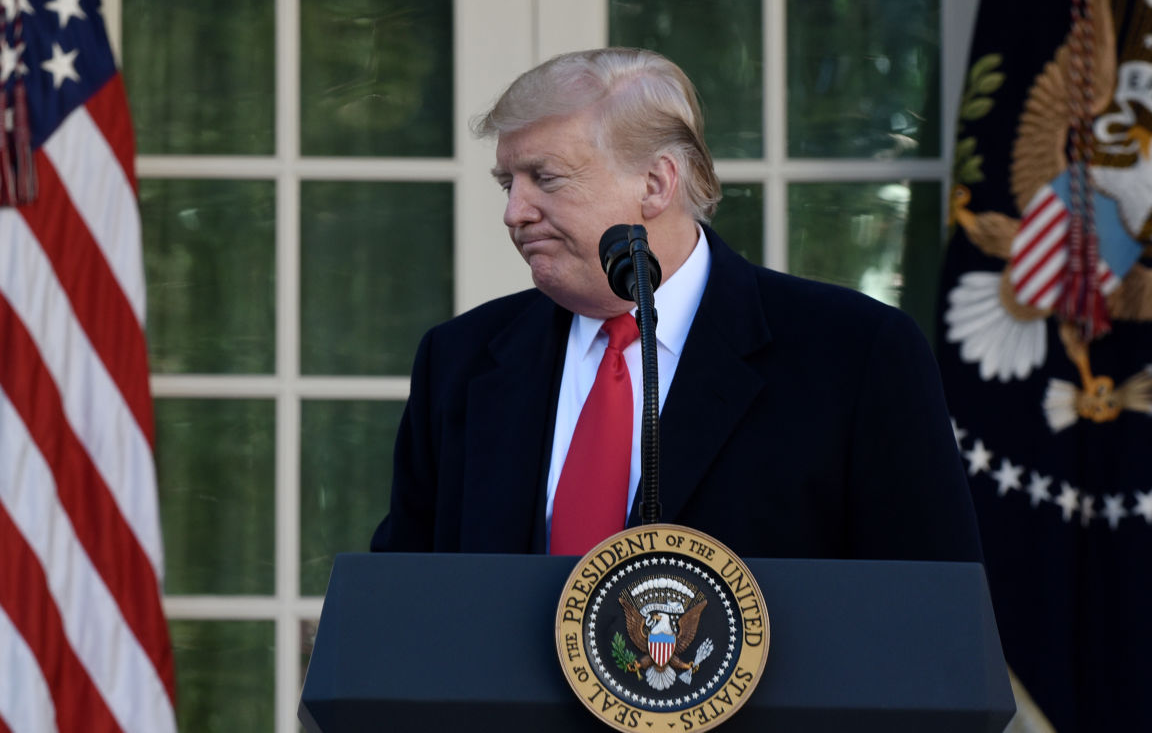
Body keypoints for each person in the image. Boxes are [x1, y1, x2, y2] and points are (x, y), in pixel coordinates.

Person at [370, 47, 982, 562]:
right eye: (509, 184)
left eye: (546, 179)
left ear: (657, 183)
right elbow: (404, 606)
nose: (515, 212)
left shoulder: (854, 354)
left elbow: (925, 617)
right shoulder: (459, 360)